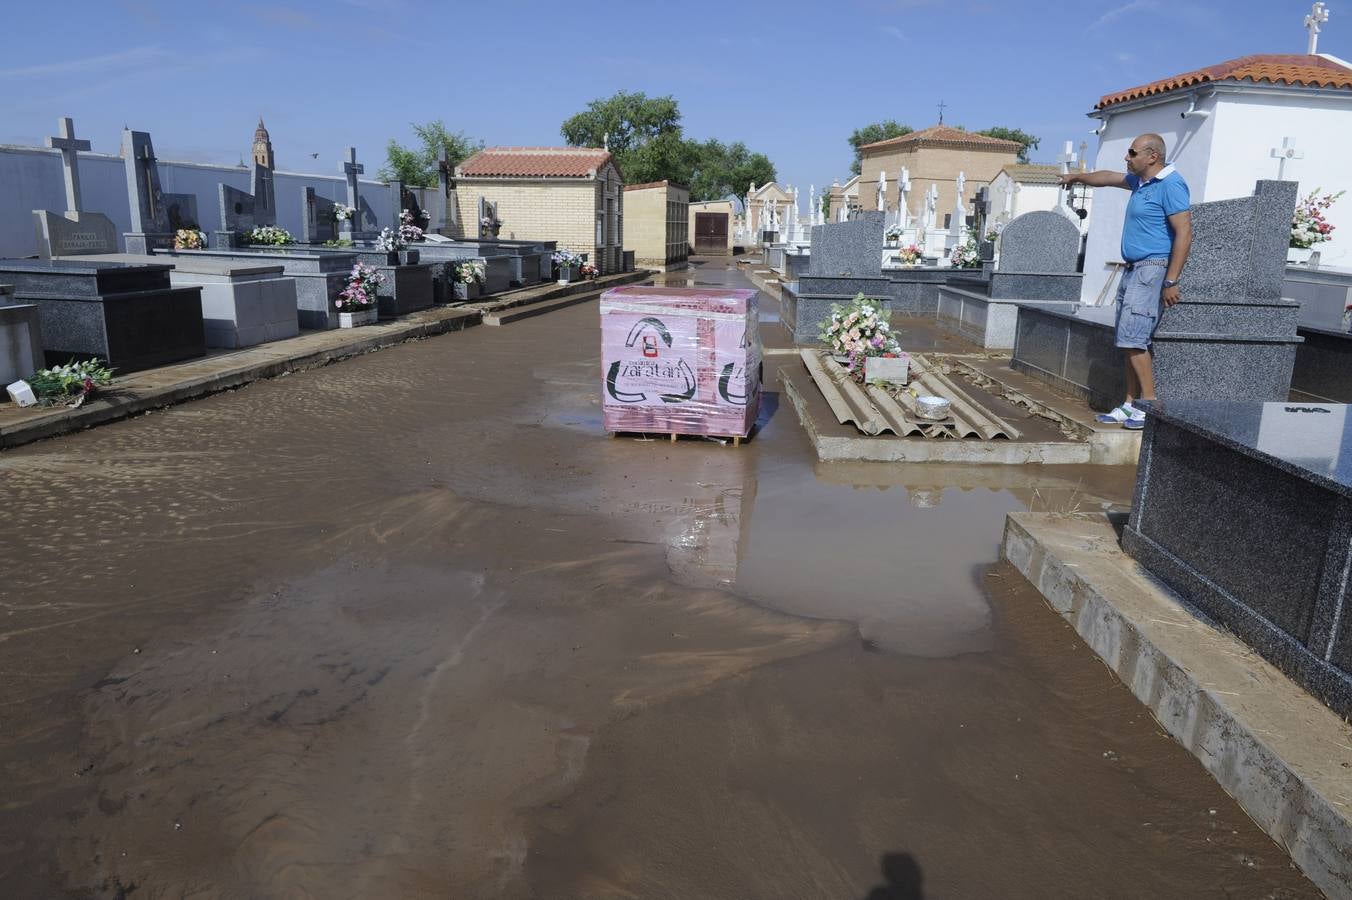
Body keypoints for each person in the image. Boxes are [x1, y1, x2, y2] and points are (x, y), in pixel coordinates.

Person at [1061, 133, 1192, 429]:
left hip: (1152, 269)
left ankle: (1148, 406)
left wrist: (1171, 281)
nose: (1126, 157)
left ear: (1152, 156)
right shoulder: (1141, 181)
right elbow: (1107, 177)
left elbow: (1184, 233)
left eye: (1131, 153)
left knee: (1135, 339)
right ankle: (1129, 404)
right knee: (1126, 340)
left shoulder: (1171, 185)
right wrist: (1078, 176)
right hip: (1133, 268)